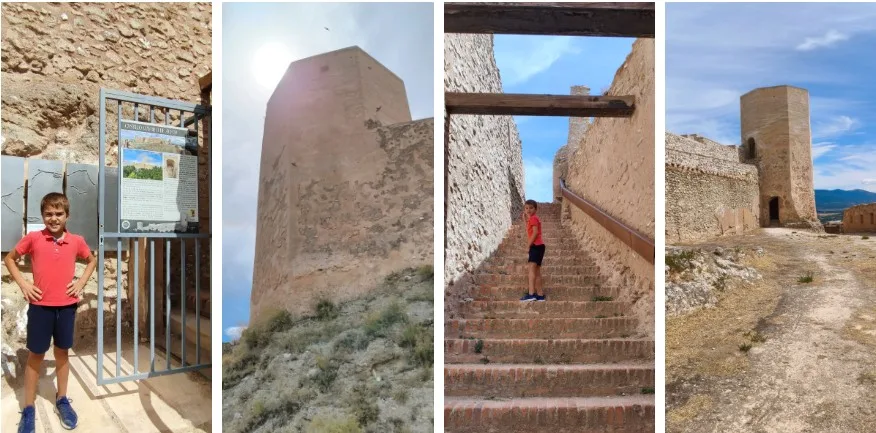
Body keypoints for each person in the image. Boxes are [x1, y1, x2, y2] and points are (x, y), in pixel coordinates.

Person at [4, 192, 97, 432]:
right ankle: (28, 408)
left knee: (62, 354)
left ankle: (62, 399)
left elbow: (91, 261)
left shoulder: (76, 240)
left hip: (66, 307)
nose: (53, 218)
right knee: (36, 355)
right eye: (48, 214)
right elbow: (10, 259)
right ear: (43, 215)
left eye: (59, 213)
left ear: (67, 215)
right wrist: (25, 284)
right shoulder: (34, 238)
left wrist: (80, 283)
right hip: (40, 307)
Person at [520, 200, 546, 302]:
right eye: (526, 208)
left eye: (531, 208)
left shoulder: (534, 218)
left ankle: (531, 294)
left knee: (531, 270)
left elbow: (534, 233)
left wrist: (528, 246)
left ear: (535, 209)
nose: (528, 210)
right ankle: (540, 295)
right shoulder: (532, 219)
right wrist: (525, 221)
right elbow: (530, 231)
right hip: (540, 246)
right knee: (537, 272)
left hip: (535, 246)